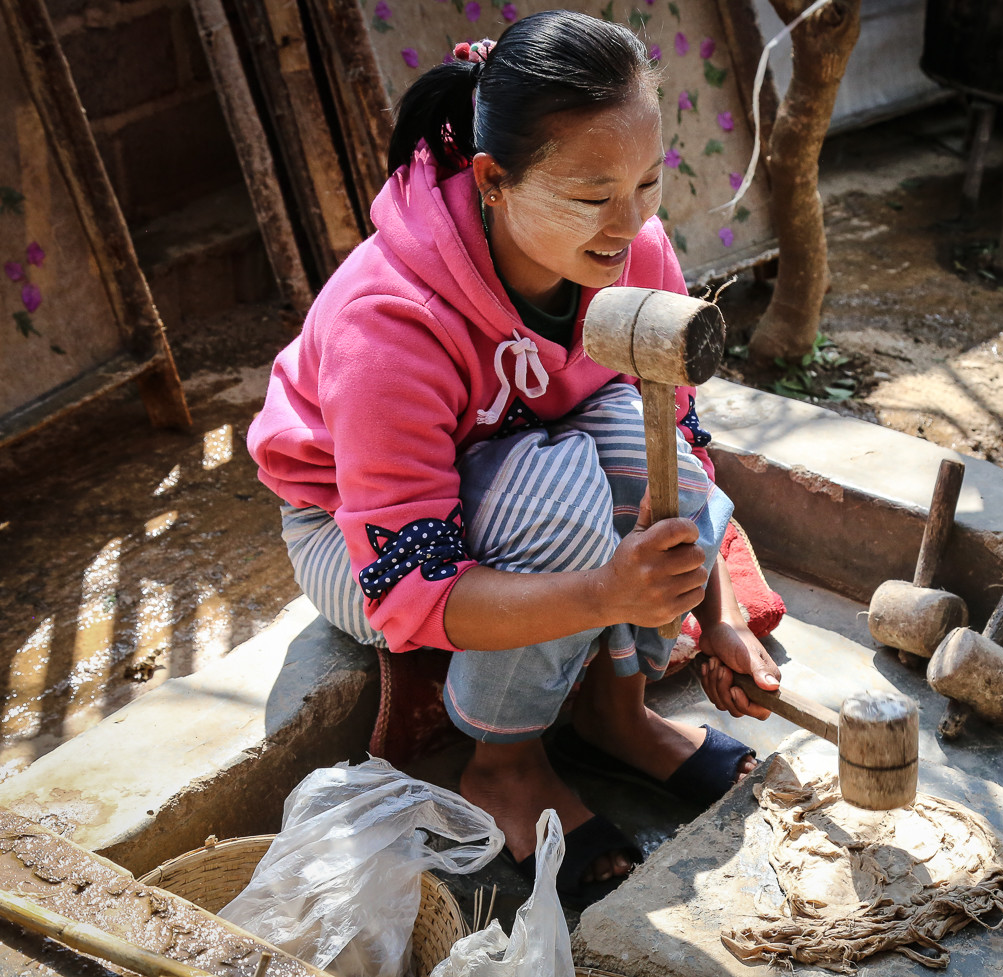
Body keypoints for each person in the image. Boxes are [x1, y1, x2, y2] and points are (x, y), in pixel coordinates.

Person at [245, 9, 782, 906]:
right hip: (361, 543)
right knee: (559, 502)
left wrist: (716, 615)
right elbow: (410, 590)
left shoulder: (633, 249)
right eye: (591, 194)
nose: (630, 221)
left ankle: (616, 712)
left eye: (648, 181)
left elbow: (676, 443)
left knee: (637, 442)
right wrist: (609, 593)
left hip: (523, 471)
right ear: (493, 178)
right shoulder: (389, 320)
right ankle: (506, 762)